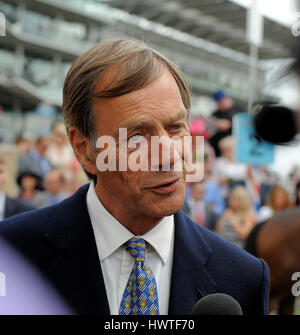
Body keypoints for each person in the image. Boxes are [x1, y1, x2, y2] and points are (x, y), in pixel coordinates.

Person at [0, 38, 269, 315]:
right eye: (137, 136)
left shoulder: (243, 277)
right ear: (84, 149)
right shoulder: (11, 257)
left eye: (176, 127)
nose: (169, 156)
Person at [208, 89, 245, 157]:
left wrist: (229, 123)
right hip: (218, 152)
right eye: (219, 102)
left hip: (235, 150)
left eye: (223, 101)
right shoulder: (215, 114)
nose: (222, 103)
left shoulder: (239, 109)